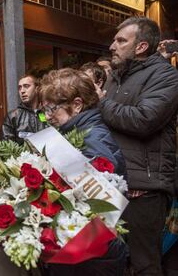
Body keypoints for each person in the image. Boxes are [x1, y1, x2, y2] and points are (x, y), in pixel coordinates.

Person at [98, 16, 178, 275]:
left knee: (144, 265)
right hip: (111, 185)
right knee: (113, 262)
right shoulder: (115, 78)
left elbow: (144, 120)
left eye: (121, 40)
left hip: (144, 190)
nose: (113, 46)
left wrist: (100, 102)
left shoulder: (165, 76)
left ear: (141, 46)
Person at [40, 68, 127, 275]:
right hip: (87, 252)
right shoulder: (75, 133)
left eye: (51, 109)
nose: (47, 116)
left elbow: (101, 203)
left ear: (77, 105)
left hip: (94, 256)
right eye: (44, 110)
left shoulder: (93, 139)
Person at [0, 74, 47, 145]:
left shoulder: (48, 113)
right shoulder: (13, 116)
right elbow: (6, 147)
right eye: (19, 88)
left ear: (37, 89)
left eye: (26, 86)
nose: (22, 91)